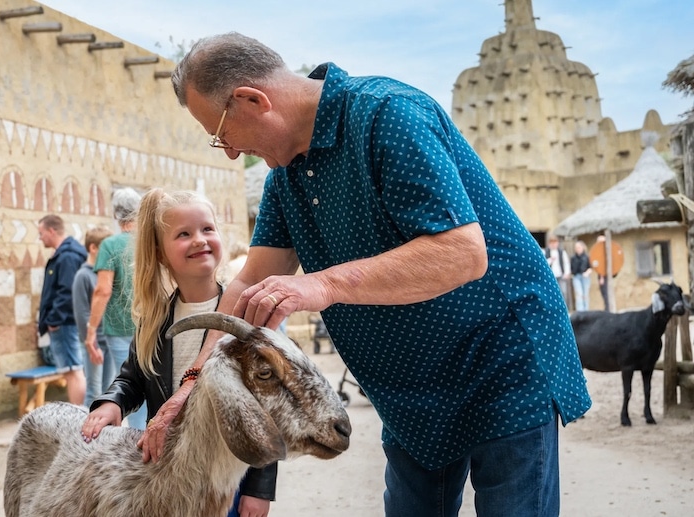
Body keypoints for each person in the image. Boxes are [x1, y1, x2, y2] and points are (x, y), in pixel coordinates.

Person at [144, 32, 591, 517]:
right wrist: (187, 390)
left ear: (253, 100)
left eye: (222, 134)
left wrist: (323, 283)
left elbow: (463, 252)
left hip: (499, 364)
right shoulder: (284, 177)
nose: (230, 153)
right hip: (410, 386)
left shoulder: (387, 115)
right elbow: (249, 280)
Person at [80, 188, 276, 516]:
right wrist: (113, 402)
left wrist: (259, 489)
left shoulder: (245, 320)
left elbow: (265, 411)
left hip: (228, 479)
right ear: (160, 253)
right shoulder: (154, 321)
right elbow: (132, 378)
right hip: (171, 475)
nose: (199, 239)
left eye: (207, 229)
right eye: (184, 234)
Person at [84, 188, 148, 429]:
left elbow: (102, 291)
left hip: (120, 327)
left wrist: (91, 333)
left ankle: (139, 446)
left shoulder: (110, 245)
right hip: (150, 323)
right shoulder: (147, 241)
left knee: (130, 386)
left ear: (116, 214)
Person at [37, 214, 87, 405]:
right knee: (72, 371)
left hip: (65, 323)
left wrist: (54, 321)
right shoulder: (67, 253)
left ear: (51, 231)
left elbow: (67, 292)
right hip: (66, 322)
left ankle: (78, 417)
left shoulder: (67, 255)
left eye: (41, 233)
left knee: (73, 372)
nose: (40, 238)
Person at [72, 225, 114, 406]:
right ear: (93, 248)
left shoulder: (107, 274)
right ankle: (88, 433)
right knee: (94, 391)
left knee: (108, 391)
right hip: (94, 343)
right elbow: (82, 314)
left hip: (110, 340)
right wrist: (92, 345)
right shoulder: (83, 276)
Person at [544, 235, 572, 310]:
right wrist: (550, 260)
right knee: (552, 293)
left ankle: (564, 308)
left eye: (555, 242)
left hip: (561, 275)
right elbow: (543, 264)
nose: (553, 244)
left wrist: (567, 273)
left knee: (563, 292)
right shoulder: (546, 252)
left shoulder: (561, 252)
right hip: (551, 276)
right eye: (552, 243)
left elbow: (566, 263)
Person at [569, 240, 592, 312]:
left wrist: (587, 273)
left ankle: (586, 311)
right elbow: (571, 268)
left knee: (585, 295)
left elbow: (590, 267)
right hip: (576, 277)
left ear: (582, 248)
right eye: (576, 247)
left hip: (585, 276)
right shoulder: (573, 258)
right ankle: (580, 311)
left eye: (579, 247)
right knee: (579, 294)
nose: (577, 249)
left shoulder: (587, 257)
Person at [595, 235, 612, 312]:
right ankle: (607, 308)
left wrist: (602, 277)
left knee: (607, 293)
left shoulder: (606, 252)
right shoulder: (599, 252)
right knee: (605, 294)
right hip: (602, 275)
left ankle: (608, 309)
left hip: (605, 276)